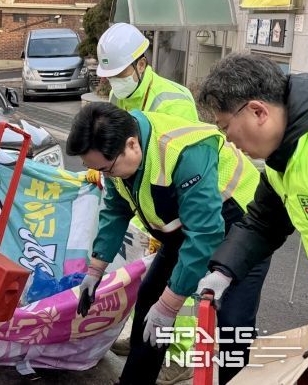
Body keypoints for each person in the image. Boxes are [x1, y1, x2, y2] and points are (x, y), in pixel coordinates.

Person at [67, 102, 271, 385]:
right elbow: (116, 210)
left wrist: (170, 305)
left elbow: (204, 234)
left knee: (232, 324)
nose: (107, 176)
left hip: (243, 228)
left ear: (132, 145)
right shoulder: (116, 152)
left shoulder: (185, 152)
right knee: (150, 298)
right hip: (189, 227)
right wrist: (95, 271)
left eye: (107, 170)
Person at [89, 22, 200, 384]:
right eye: (109, 76)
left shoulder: (172, 100)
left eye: (119, 74)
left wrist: (159, 224)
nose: (114, 82)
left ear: (141, 64)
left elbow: (181, 167)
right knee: (146, 283)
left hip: (174, 211)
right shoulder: (119, 98)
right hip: (143, 206)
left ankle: (180, 356)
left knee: (179, 288)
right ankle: (145, 343)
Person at [196, 54, 308, 343]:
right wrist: (224, 271)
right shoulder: (282, 157)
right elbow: (264, 222)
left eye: (225, 127)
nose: (227, 140)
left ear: (257, 111)